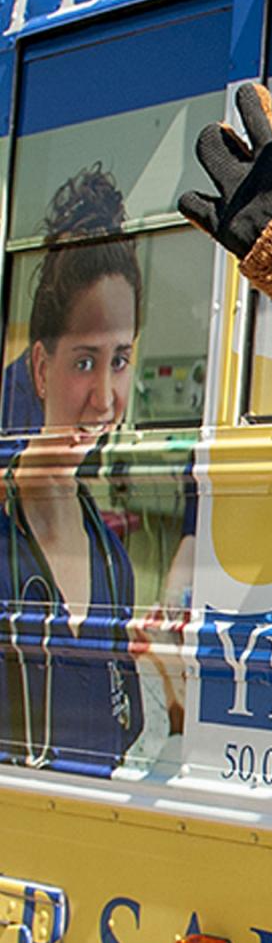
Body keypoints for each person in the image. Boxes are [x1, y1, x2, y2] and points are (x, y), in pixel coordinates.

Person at [0, 167, 145, 775]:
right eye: (85, 361)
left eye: (120, 360)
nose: (106, 398)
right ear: (40, 368)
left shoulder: (113, 563)